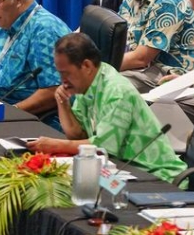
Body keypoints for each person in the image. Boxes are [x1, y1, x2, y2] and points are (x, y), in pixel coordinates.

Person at [30, 33, 186, 183]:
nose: (62, 80)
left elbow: (104, 147)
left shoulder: (116, 91)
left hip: (157, 176)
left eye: (66, 73)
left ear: (86, 65)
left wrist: (56, 145)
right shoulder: (88, 83)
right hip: (122, 168)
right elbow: (76, 135)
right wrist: (62, 103)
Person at [108, 0, 194, 91]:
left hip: (167, 73)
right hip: (142, 67)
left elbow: (141, 58)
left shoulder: (168, 1)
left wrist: (98, 65)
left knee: (105, 85)